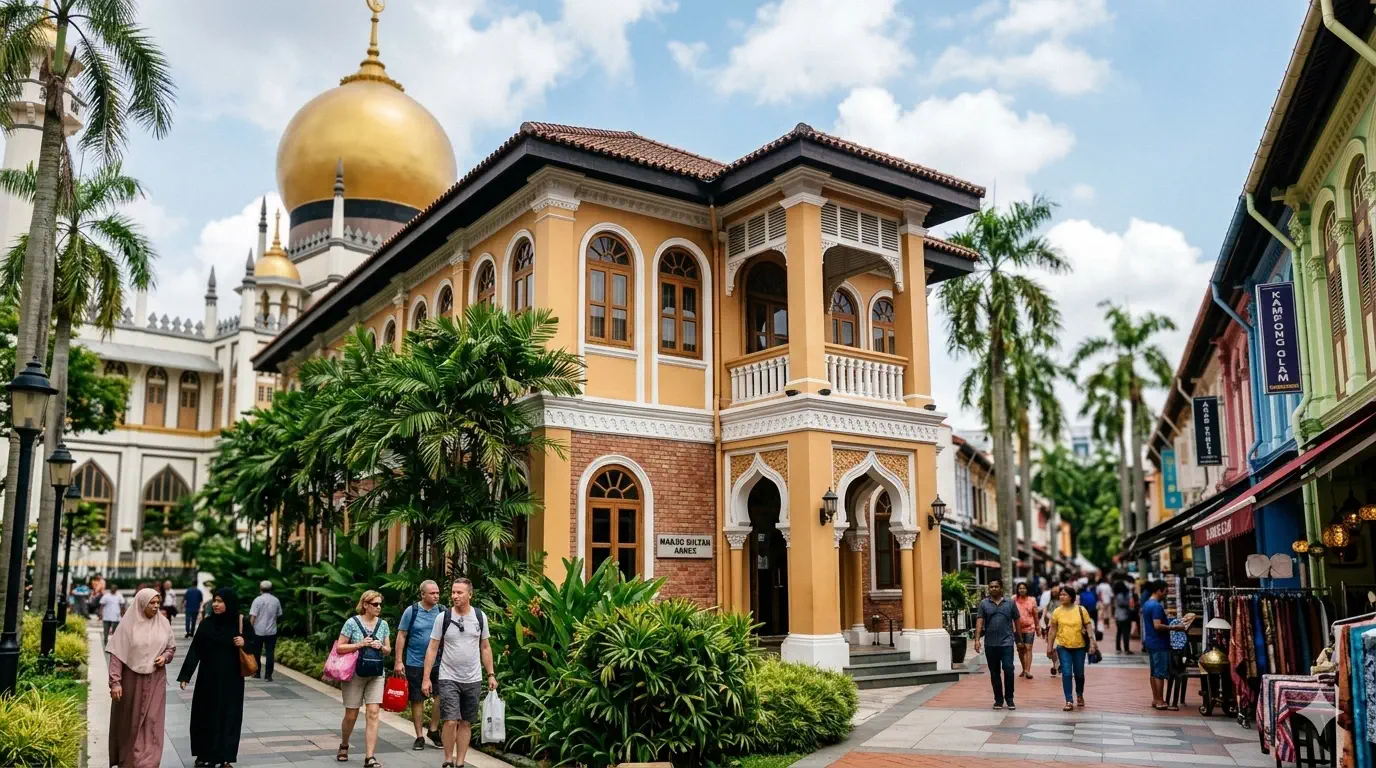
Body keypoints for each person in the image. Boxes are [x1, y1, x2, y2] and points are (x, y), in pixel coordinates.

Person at [422, 578, 498, 768]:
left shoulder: (479, 616)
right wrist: (426, 678)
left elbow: (485, 647)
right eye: (453, 592)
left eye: (459, 592)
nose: (455, 596)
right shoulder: (443, 617)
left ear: (470, 595)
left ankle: (461, 762)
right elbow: (432, 648)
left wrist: (491, 674)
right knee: (450, 720)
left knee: (465, 722)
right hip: (448, 677)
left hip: (473, 678)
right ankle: (448, 759)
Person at [107, 588, 176, 768]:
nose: (155, 606)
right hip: (131, 680)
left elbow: (170, 648)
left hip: (156, 678)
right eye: (151, 603)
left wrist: (165, 657)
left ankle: (148, 762)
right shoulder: (127, 626)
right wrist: (115, 682)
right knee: (130, 721)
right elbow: (116, 655)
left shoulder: (163, 623)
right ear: (141, 604)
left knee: (152, 719)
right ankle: (129, 760)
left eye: (158, 602)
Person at [177, 588, 247, 768]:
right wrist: (186, 675)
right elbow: (195, 649)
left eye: (220, 601)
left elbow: (255, 644)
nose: (215, 604)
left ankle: (226, 757)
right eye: (215, 600)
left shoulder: (240, 623)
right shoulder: (206, 624)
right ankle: (203, 754)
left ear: (229, 603)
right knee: (204, 716)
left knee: (229, 717)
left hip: (232, 680)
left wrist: (244, 642)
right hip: (207, 679)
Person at [335, 590, 391, 767]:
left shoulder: (383, 624)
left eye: (380, 604)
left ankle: (370, 757)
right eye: (375, 604)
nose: (379, 607)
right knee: (351, 714)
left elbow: (388, 650)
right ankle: (344, 744)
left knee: (373, 712)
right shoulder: (352, 623)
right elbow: (339, 647)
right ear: (365, 605)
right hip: (355, 673)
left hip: (376, 673)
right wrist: (360, 644)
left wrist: (381, 647)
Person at [395, 580, 445, 750]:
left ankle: (433, 729)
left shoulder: (442, 611)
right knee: (417, 699)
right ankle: (419, 736)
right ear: (423, 594)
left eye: (437, 593)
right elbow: (402, 635)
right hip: (415, 662)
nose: (436, 596)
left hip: (438, 661)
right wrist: (398, 661)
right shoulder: (412, 611)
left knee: (441, 694)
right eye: (432, 593)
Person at [1141, 581, 1194, 711]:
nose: (1166, 594)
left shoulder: (1147, 604)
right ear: (1159, 590)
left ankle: (1156, 698)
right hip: (1159, 643)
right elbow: (1157, 626)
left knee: (1154, 672)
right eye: (1165, 591)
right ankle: (1159, 700)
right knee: (1160, 672)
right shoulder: (1156, 606)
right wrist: (1175, 627)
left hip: (1151, 642)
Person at [1047, 586, 1097, 711]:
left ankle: (1079, 694)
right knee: (1067, 673)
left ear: (1071, 597)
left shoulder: (1081, 610)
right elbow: (1052, 631)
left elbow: (1088, 627)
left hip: (1080, 646)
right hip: (1063, 646)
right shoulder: (1057, 612)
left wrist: (1092, 642)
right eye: (1060, 595)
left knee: (1079, 674)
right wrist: (1049, 646)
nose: (1061, 597)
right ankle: (1069, 700)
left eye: (1064, 595)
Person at [972, 577, 1019, 710]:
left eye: (996, 586)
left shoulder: (1010, 603)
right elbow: (979, 622)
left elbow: (1017, 620)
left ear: (1001, 588)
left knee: (1008, 669)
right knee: (994, 672)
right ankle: (998, 699)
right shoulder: (984, 604)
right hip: (990, 644)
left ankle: (1009, 698)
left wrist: (1019, 639)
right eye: (991, 587)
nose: (993, 589)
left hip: (1007, 643)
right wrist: (977, 640)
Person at [249, 580, 283, 682]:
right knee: (270, 653)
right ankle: (268, 675)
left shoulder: (257, 600)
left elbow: (253, 617)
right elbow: (279, 615)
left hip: (258, 631)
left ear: (261, 588)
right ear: (271, 589)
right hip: (271, 632)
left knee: (256, 652)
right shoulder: (276, 601)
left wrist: (249, 629)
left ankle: (257, 673)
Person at [1012, 581, 1039, 680]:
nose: (1022, 590)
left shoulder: (1032, 600)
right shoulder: (1014, 599)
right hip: (1017, 628)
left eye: (1024, 588)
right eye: (1020, 588)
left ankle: (1028, 670)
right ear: (1017, 590)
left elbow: (1035, 615)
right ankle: (1024, 669)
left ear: (1027, 589)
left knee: (1028, 648)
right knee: (1020, 649)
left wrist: (1037, 627)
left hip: (1030, 628)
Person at [1039, 586, 1060, 676]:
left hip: (1060, 629)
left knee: (1058, 648)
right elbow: (1044, 613)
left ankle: (1057, 665)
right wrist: (1043, 623)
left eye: (1056, 591)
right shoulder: (1049, 602)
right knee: (1052, 648)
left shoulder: (1062, 603)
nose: (1054, 593)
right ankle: (1056, 663)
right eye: (1053, 591)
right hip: (1050, 628)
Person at [1112, 580, 1135, 654]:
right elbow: (1123, 604)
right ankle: (1126, 649)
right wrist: (1129, 605)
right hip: (1125, 616)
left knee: (1119, 632)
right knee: (1126, 633)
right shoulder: (1123, 594)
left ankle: (1118, 648)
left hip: (1118, 616)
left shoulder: (1116, 595)